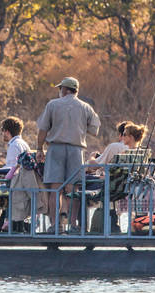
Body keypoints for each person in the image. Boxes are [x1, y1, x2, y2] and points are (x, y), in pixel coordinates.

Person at [36, 76, 101, 232]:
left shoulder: (52, 104)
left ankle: (55, 225)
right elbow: (94, 130)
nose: (59, 91)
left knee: (55, 189)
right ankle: (73, 225)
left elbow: (43, 129)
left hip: (55, 149)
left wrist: (39, 148)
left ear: (64, 90)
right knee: (74, 190)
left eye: (60, 89)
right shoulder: (85, 107)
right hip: (76, 150)